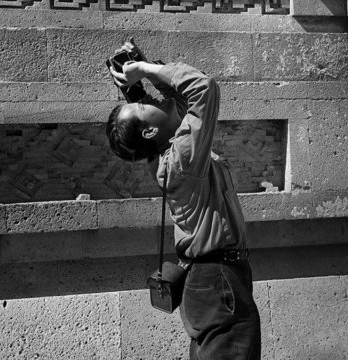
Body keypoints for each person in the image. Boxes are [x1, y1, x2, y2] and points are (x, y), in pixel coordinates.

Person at [106, 39, 261, 360]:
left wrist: (137, 77)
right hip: (217, 277)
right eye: (143, 102)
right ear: (149, 131)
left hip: (209, 279)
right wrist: (145, 69)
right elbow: (203, 88)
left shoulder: (162, 156)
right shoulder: (182, 158)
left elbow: (170, 103)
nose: (149, 97)